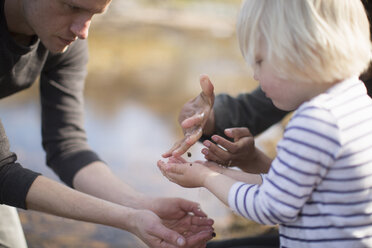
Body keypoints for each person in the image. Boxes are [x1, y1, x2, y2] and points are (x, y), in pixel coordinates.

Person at [0, 0, 216, 247]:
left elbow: (67, 147)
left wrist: (139, 204)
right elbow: (2, 172)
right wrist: (128, 219)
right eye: (73, 7)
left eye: (94, 14)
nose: (83, 31)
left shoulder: (64, 39)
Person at [159, 0, 372, 247]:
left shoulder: (315, 121)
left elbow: (270, 206)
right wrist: (220, 173)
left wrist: (205, 177)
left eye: (260, 61)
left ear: (307, 51)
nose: (255, 76)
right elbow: (286, 186)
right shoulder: (358, 104)